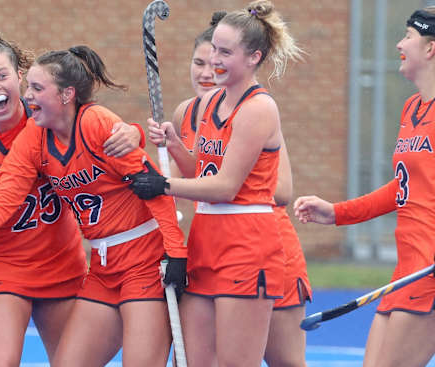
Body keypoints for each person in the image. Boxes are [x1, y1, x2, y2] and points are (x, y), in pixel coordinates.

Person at [0, 44, 187, 367]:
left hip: (83, 263)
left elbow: (152, 184)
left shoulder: (69, 122)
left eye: (5, 77)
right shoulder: (16, 139)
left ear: (19, 78)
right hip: (25, 267)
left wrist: (133, 134)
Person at [294, 6, 435, 367]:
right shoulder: (411, 108)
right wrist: (338, 212)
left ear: (430, 48)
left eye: (407, 35)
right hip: (408, 266)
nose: (398, 44)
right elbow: (403, 187)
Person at [127, 1, 303, 366]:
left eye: (225, 53)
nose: (215, 62)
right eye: (211, 52)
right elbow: (201, 173)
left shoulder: (259, 108)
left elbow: (226, 187)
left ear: (254, 57)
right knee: (193, 360)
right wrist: (175, 145)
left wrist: (163, 186)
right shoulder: (209, 103)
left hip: (246, 244)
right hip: (206, 240)